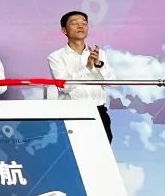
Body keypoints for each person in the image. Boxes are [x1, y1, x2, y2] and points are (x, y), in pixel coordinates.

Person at [47, 10, 116, 142]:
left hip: (99, 111)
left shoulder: (99, 53)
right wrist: (87, 67)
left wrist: (99, 65)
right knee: (72, 149)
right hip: (71, 112)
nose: (80, 26)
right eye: (74, 23)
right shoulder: (55, 57)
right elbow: (64, 87)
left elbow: (112, 83)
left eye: (84, 23)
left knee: (101, 150)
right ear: (64, 30)